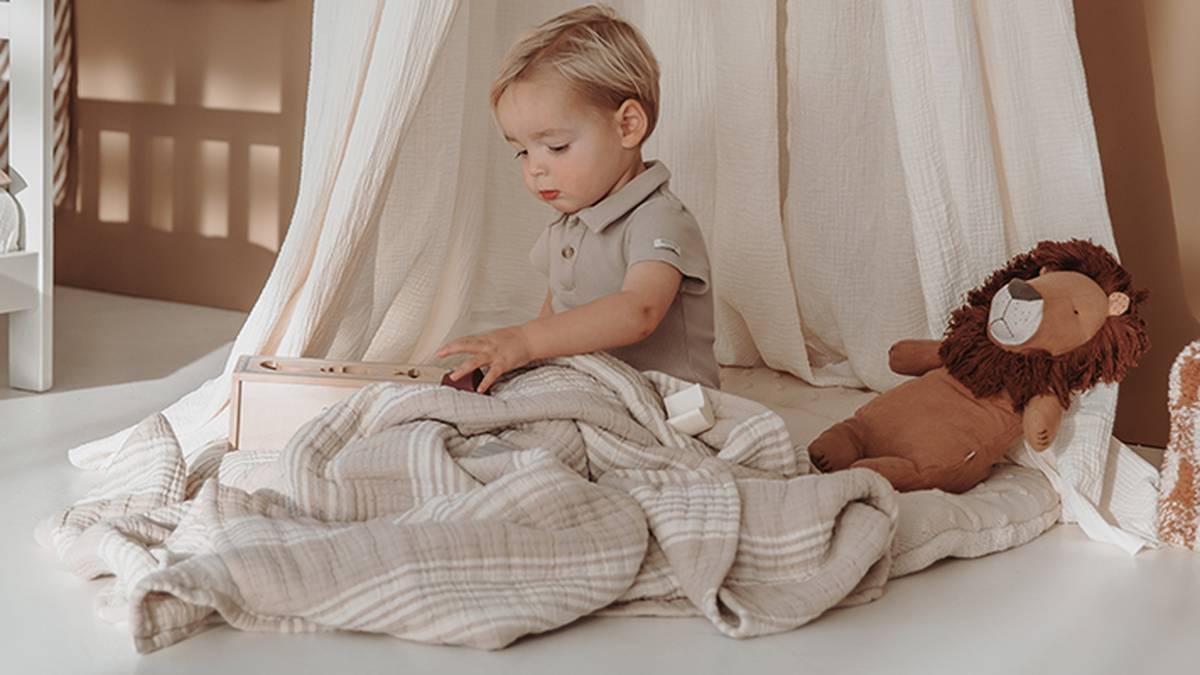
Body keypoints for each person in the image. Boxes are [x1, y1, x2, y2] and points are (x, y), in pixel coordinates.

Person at [437, 3, 717, 394]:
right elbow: (557, 312)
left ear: (627, 126)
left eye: (555, 146)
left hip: (669, 401)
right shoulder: (571, 222)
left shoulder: (660, 219)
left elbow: (639, 311)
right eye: (522, 151)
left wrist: (527, 340)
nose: (535, 168)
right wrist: (527, 359)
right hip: (595, 387)